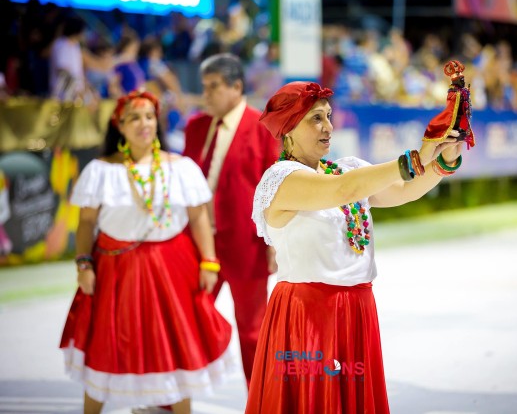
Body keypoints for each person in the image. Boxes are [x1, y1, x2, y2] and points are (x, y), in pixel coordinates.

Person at [246, 81, 464, 413]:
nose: (328, 127)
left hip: (357, 310)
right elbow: (343, 190)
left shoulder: (345, 168)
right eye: (315, 118)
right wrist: (414, 158)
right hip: (308, 315)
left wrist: (444, 159)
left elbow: (403, 191)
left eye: (329, 116)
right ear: (288, 129)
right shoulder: (282, 180)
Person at [59, 90, 233, 414]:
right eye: (135, 118)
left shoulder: (180, 167)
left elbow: (198, 218)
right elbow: (86, 224)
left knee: (177, 348)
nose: (144, 124)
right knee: (106, 346)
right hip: (115, 269)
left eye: (150, 116)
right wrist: (84, 264)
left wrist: (209, 262)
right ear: (120, 126)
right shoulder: (101, 170)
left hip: (173, 269)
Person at [182, 53, 280, 387]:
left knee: (253, 330)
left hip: (245, 243)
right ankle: (169, 398)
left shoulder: (262, 127)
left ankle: (261, 401)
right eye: (203, 87)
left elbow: (274, 187)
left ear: (236, 87)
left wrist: (273, 242)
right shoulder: (195, 127)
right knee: (185, 318)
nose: (205, 94)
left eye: (213, 87)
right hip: (198, 244)